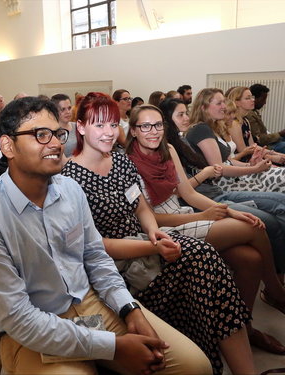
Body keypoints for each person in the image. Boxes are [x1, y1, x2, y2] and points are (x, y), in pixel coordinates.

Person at [0, 96, 212, 375]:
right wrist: (114, 347)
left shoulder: (70, 190)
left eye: (58, 133)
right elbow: (19, 318)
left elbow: (96, 257)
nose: (56, 144)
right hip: (35, 327)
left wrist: (130, 308)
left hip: (91, 302)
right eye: (41, 135)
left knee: (195, 366)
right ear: (8, 145)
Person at [62, 93, 255, 374]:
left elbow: (141, 207)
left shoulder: (119, 160)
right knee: (202, 260)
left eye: (113, 125)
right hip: (114, 267)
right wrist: (154, 246)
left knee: (208, 262)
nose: (108, 132)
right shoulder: (69, 179)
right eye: (99, 125)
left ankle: (226, 361)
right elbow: (96, 247)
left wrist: (155, 234)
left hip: (144, 244)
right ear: (80, 127)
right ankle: (213, 362)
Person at [126, 102, 285, 358]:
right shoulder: (126, 162)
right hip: (163, 228)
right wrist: (205, 215)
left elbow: (187, 193)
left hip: (184, 213)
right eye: (145, 126)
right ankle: (276, 292)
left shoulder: (167, 149)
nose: (153, 131)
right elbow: (150, 218)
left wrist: (227, 210)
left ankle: (246, 327)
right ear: (133, 130)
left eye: (157, 125)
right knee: (252, 227)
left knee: (251, 259)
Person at [161, 97, 285, 280]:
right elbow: (184, 191)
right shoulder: (174, 144)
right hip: (205, 199)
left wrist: (249, 165)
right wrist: (207, 173)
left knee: (280, 203)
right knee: (268, 221)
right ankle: (275, 280)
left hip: (215, 192)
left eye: (186, 113)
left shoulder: (180, 141)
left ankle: (277, 274)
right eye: (180, 115)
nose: (186, 118)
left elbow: (215, 167)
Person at [186, 88, 285, 193]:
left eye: (224, 102)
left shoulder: (214, 127)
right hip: (223, 184)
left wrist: (251, 165)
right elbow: (219, 167)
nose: (224, 106)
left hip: (231, 179)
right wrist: (254, 169)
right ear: (203, 108)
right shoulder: (201, 129)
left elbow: (229, 161)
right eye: (219, 103)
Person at [226, 87, 285, 164]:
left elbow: (253, 146)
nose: (253, 100)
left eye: (252, 97)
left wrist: (274, 153)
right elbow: (244, 151)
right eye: (248, 98)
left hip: (251, 159)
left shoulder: (245, 121)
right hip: (244, 163)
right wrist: (270, 157)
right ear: (237, 102)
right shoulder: (234, 123)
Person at [247, 83, 285, 153]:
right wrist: (279, 134)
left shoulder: (254, 112)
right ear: (254, 98)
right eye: (263, 99)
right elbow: (259, 139)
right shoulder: (249, 115)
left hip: (267, 142)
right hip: (264, 146)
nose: (264, 102)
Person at [51, 93, 77, 158]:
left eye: (69, 108)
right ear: (55, 111)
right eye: (63, 109)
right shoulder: (52, 132)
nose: (68, 112)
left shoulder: (77, 127)